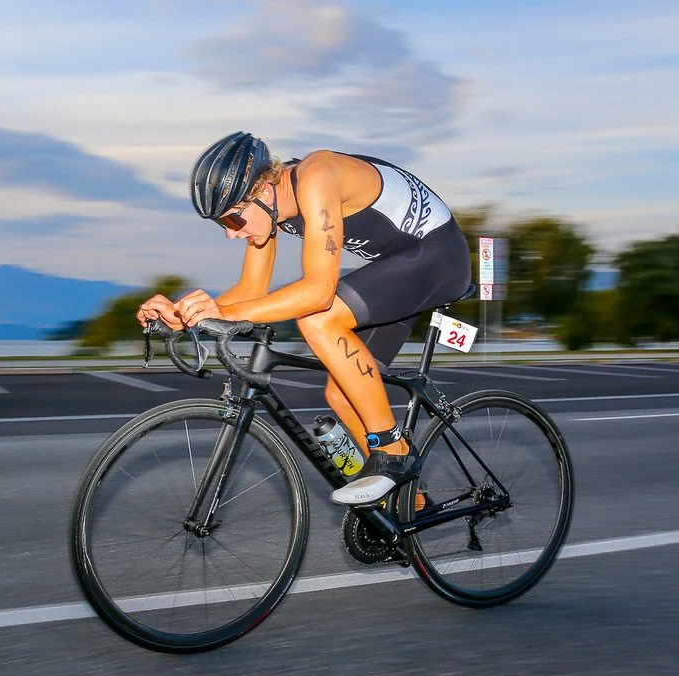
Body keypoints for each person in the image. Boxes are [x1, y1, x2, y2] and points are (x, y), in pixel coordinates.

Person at [137, 132, 471, 507]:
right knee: (342, 393)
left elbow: (318, 291)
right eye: (221, 225)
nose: (232, 234)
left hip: (439, 257)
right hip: (398, 268)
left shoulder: (317, 176)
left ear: (261, 191)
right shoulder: (272, 208)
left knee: (317, 319)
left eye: (232, 218)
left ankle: (393, 451)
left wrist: (225, 313)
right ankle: (412, 508)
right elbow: (251, 289)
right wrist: (184, 316)